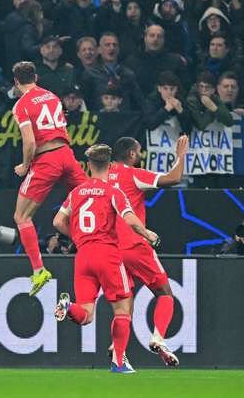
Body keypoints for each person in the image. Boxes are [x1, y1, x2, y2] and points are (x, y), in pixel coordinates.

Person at [52, 143, 159, 374]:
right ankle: (118, 363)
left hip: (83, 256)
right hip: (108, 255)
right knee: (122, 310)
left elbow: (57, 222)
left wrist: (79, 238)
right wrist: (147, 233)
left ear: (88, 165)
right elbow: (130, 220)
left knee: (85, 315)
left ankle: (68, 306)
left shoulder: (76, 192)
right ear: (110, 166)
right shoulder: (114, 192)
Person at [109, 134, 188, 366]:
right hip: (134, 244)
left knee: (125, 300)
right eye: (139, 151)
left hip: (111, 250)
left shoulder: (101, 177)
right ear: (132, 154)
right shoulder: (132, 174)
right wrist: (181, 156)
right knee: (165, 294)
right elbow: (173, 178)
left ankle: (117, 346)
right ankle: (158, 338)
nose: (140, 155)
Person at [11, 60, 88, 296]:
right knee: (95, 198)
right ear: (36, 78)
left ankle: (39, 270)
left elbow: (30, 141)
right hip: (67, 155)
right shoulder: (52, 96)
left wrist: (25, 166)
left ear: (16, 82)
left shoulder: (21, 105)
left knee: (21, 216)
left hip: (46, 160)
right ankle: (111, 244)